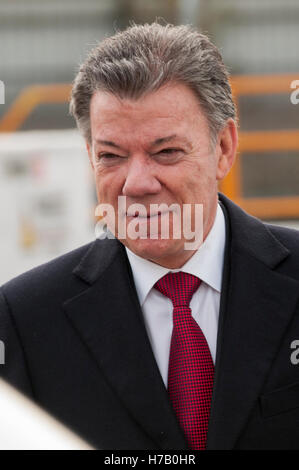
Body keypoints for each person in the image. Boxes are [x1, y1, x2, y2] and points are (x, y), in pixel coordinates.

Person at [1, 22, 299, 451]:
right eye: (112, 156)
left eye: (166, 152)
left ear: (225, 148)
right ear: (90, 157)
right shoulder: (24, 320)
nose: (137, 183)